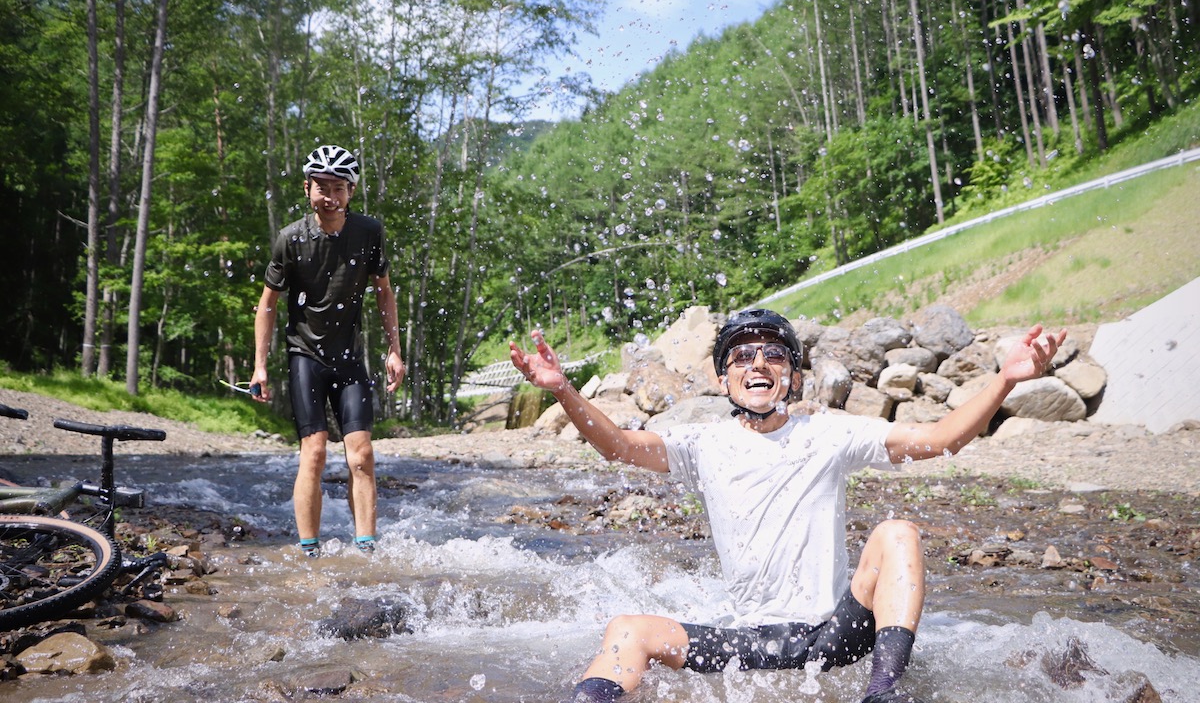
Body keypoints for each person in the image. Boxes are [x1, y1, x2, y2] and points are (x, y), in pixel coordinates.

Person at [509, 308, 1066, 703]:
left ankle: (884, 692)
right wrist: (564, 390)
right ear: (724, 377)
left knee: (898, 533)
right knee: (628, 628)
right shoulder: (702, 445)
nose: (758, 364)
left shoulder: (830, 435)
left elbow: (942, 438)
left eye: (773, 355)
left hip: (832, 634)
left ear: (792, 376)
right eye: (742, 356)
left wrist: (1005, 379)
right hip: (748, 642)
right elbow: (621, 447)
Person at [251, 144, 405, 558]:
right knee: (315, 452)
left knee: (362, 455)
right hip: (305, 357)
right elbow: (267, 304)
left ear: (351, 191)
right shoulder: (291, 239)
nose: (330, 197)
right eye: (322, 188)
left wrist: (395, 350)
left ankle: (367, 548)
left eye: (338, 188)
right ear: (307, 188)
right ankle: (309, 552)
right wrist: (260, 366)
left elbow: (384, 293)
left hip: (349, 358)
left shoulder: (368, 233)